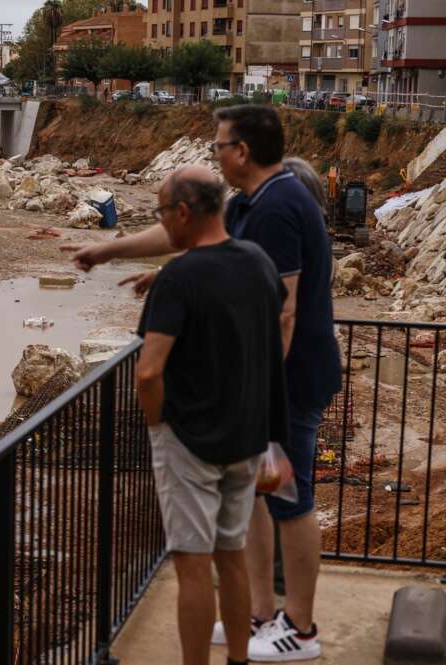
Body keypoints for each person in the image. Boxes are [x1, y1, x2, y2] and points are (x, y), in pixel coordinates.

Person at [63, 105, 341, 662]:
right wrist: (114, 251)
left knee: (291, 502)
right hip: (260, 398)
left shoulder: (278, 207)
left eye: (219, 145)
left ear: (241, 151)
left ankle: (300, 629)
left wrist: (259, 400)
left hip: (289, 383)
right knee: (258, 510)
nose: (214, 153)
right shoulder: (252, 202)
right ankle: (260, 616)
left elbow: (282, 313)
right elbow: (203, 247)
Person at [137, 165, 287, 665]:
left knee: (193, 567)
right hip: (245, 438)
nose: (164, 224)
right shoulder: (258, 262)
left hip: (191, 441)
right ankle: (239, 661)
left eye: (162, 213)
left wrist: (159, 428)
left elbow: (148, 371)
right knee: (233, 558)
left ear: (182, 213)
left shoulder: (179, 277)